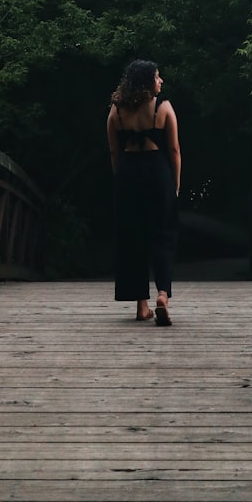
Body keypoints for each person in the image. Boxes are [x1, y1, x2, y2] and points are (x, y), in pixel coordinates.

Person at [107, 59, 181, 325]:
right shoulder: (163, 108)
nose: (161, 81)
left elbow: (114, 150)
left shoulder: (116, 112)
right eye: (157, 77)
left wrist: (121, 178)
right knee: (163, 235)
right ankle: (162, 294)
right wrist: (175, 184)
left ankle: (141, 305)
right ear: (147, 81)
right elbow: (173, 150)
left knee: (133, 238)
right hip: (157, 173)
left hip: (128, 174)